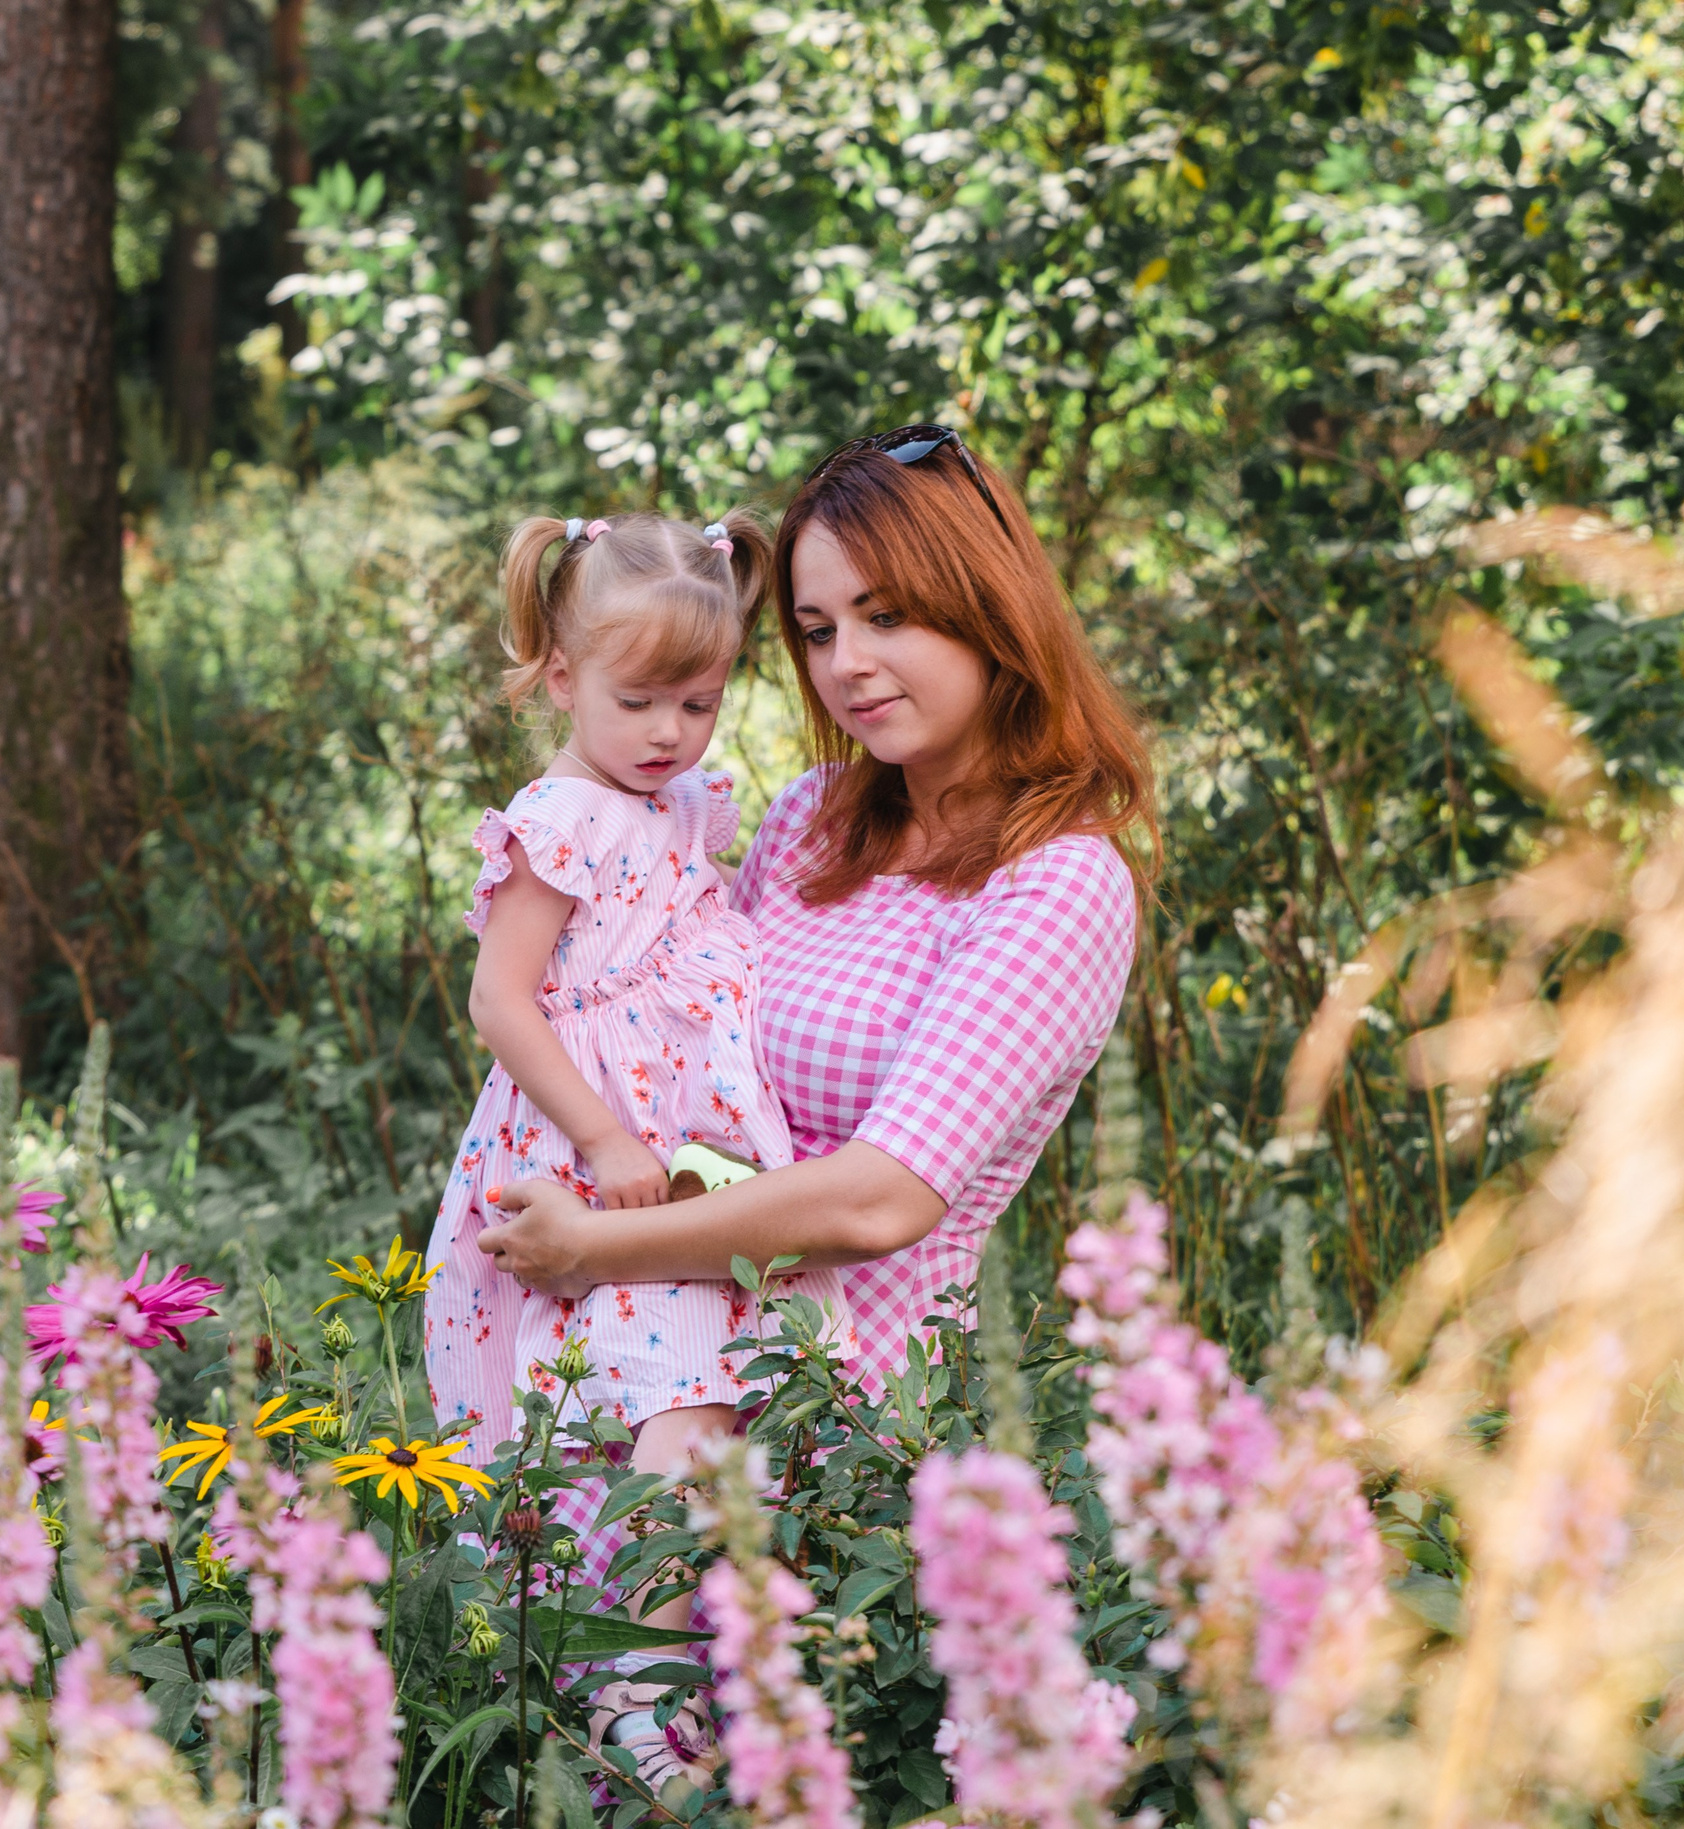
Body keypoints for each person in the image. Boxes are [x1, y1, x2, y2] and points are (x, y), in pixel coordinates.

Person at [476, 421, 1155, 1447]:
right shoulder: (811, 816)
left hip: (832, 1419)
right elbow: (663, 1035)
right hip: (650, 1342)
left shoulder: (1057, 882)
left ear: (987, 607)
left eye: (885, 615)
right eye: (819, 628)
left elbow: (879, 1200)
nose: (849, 663)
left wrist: (594, 1247)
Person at [422, 507, 857, 1786]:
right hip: (590, 1154)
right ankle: (640, 1705)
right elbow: (501, 1000)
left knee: (698, 1407)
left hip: (687, 1164)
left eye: (701, 703)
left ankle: (663, 1685)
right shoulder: (560, 815)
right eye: (640, 701)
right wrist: (602, 1129)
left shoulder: (683, 810)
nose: (671, 733)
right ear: (560, 677)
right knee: (669, 1407)